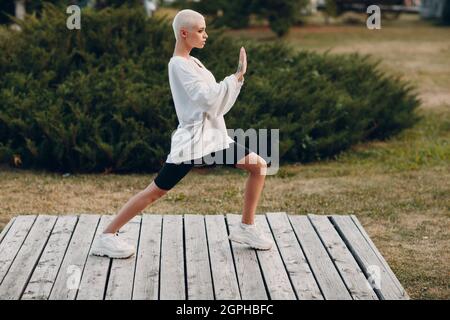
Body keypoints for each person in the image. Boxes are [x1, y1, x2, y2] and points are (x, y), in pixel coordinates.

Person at [91, 9, 273, 259]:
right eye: (200, 30)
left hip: (212, 138)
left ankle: (246, 227)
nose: (205, 35)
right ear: (183, 33)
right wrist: (236, 77)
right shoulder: (178, 65)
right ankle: (107, 236)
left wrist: (235, 80)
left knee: (258, 166)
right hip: (193, 143)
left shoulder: (193, 62)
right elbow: (207, 99)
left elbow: (213, 102)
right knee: (156, 190)